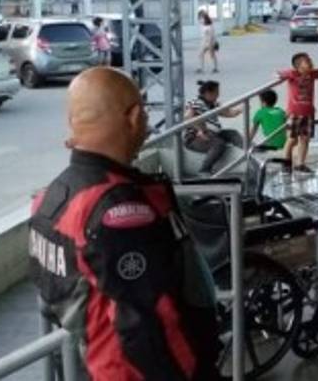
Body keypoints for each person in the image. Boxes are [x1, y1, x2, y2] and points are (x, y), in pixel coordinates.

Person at [29, 68, 220, 379]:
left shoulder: (49, 201)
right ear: (133, 116)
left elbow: (52, 302)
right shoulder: (119, 211)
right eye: (143, 111)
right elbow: (150, 326)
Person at [183, 80, 244, 174]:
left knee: (232, 134)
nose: (218, 96)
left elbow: (229, 113)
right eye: (216, 93)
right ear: (208, 93)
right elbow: (187, 117)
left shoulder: (213, 105)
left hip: (214, 133)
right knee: (219, 144)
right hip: (194, 138)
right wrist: (201, 130)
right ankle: (204, 170)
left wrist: (241, 109)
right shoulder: (195, 103)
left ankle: (250, 150)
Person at [198, 9, 218, 74]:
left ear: (204, 18)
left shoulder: (209, 26)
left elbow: (211, 36)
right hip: (204, 42)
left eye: (201, 18)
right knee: (200, 54)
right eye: (199, 18)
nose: (200, 20)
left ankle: (215, 68)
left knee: (212, 55)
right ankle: (201, 68)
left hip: (209, 42)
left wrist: (210, 45)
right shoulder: (203, 25)